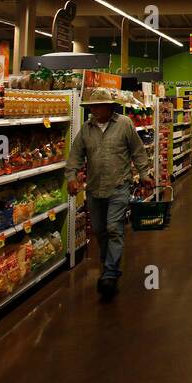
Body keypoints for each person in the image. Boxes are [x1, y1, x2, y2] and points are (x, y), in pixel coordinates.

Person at [67, 88, 154, 299]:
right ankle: (108, 265)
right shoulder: (86, 130)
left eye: (99, 106)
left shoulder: (124, 124)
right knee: (99, 230)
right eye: (93, 107)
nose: (95, 110)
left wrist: (145, 173)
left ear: (109, 106)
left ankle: (110, 274)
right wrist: (71, 176)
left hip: (119, 186)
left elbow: (137, 150)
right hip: (95, 188)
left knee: (114, 227)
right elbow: (76, 155)